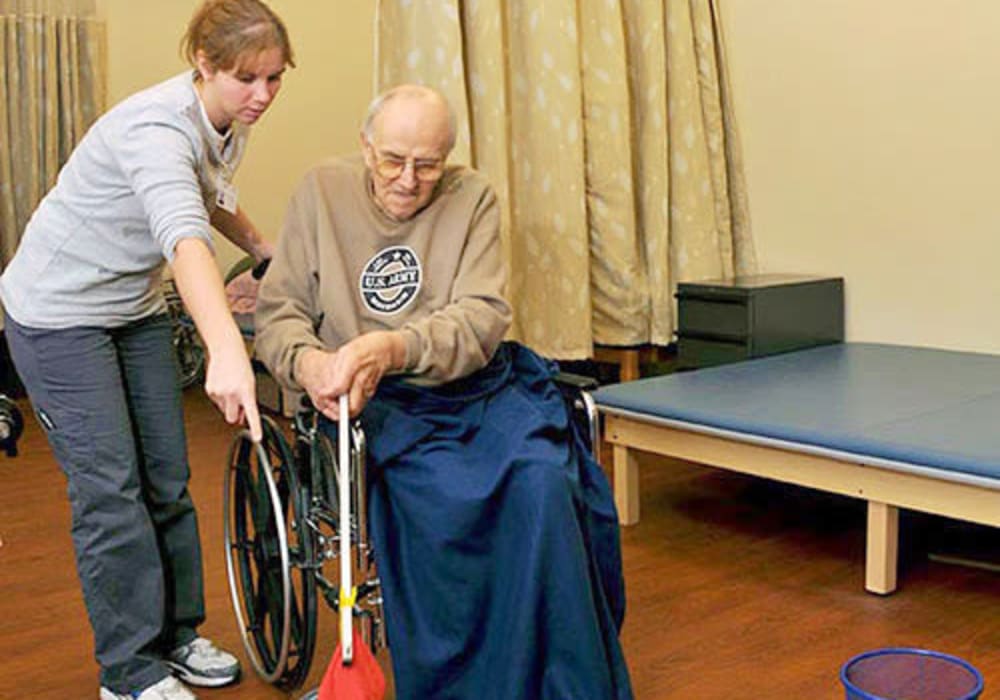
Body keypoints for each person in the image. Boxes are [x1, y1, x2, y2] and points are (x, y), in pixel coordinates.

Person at [254, 85, 634, 699]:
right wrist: (310, 365)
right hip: (374, 404)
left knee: (543, 480)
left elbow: (480, 318)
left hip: (471, 387)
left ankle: (556, 681)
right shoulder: (321, 192)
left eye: (428, 164)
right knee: (441, 502)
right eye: (392, 160)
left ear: (447, 158)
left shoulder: (472, 197)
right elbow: (281, 315)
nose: (408, 180)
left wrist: (391, 348)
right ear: (365, 146)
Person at [0, 1, 293, 698]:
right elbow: (183, 236)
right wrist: (225, 347)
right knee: (111, 492)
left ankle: (175, 636)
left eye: (276, 78)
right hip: (57, 315)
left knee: (165, 477)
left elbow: (207, 195)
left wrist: (262, 249)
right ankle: (127, 674)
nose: (263, 95)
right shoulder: (155, 127)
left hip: (130, 308)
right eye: (247, 78)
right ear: (203, 64)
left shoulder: (225, 120)